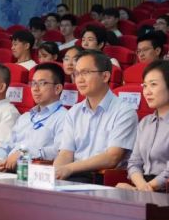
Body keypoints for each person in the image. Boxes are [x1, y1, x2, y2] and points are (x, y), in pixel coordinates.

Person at [54, 50, 138, 182]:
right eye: (77, 73)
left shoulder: (124, 112)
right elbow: (65, 153)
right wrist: (54, 173)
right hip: (74, 176)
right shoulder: (74, 112)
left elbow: (112, 158)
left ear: (105, 76)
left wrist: (69, 169)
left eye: (85, 73)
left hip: (102, 179)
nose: (79, 79)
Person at [116, 60, 169, 192]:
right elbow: (134, 163)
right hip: (145, 186)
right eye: (145, 86)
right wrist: (141, 187)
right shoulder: (145, 122)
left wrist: (139, 190)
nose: (147, 92)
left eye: (153, 85)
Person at [0, 63, 68, 171]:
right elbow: (4, 146)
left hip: (36, 173)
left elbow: (60, 152)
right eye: (33, 83)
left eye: (42, 83)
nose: (35, 88)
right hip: (8, 170)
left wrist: (24, 153)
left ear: (57, 88)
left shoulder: (64, 117)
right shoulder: (25, 117)